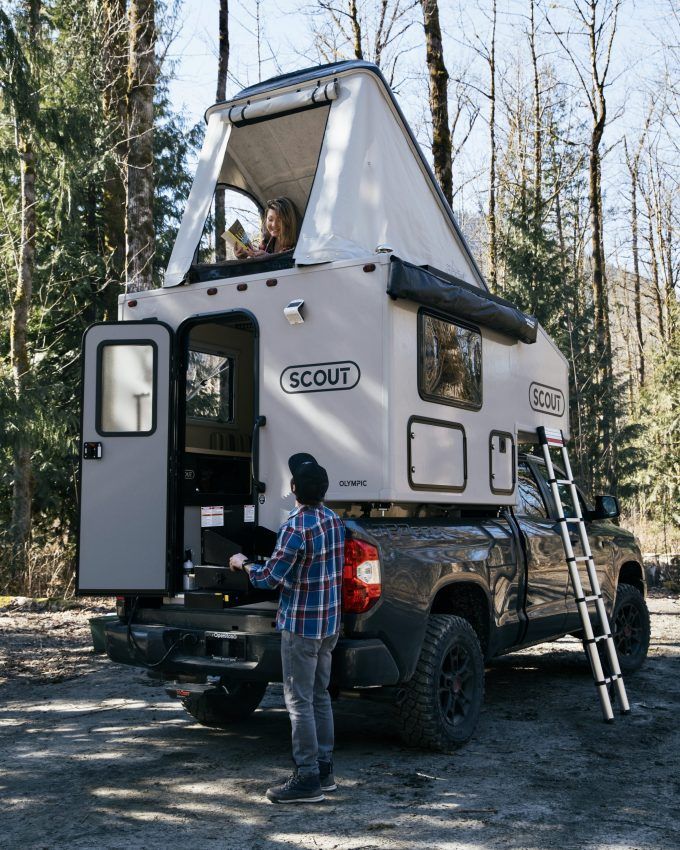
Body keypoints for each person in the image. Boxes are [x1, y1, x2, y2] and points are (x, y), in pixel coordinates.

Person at [229, 453, 345, 804]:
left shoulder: (296, 526)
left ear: (294, 489)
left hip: (301, 626)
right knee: (320, 696)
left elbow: (269, 579)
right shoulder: (333, 521)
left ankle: (306, 778)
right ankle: (324, 772)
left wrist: (243, 564)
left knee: (298, 701)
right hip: (328, 624)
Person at [234, 197, 299, 259]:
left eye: (279, 220)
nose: (274, 225)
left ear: (288, 221)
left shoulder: (298, 246)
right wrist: (245, 255)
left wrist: (268, 258)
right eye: (270, 219)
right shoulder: (265, 242)